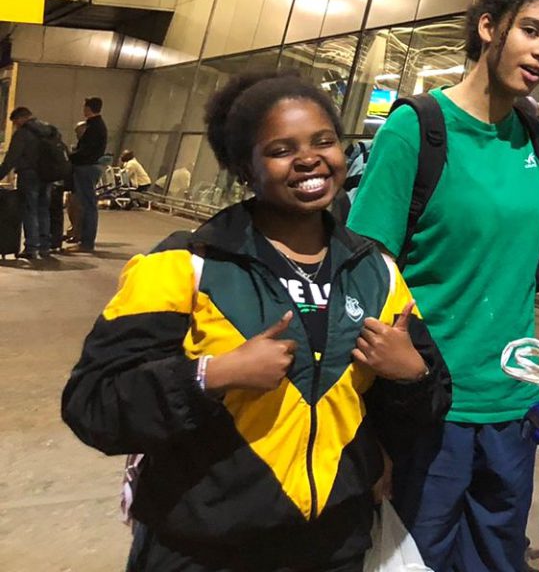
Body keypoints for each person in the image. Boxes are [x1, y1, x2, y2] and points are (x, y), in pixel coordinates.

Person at [61, 72, 450, 571]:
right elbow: (92, 404)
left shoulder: (376, 272)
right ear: (244, 167)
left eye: (323, 141)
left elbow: (426, 408)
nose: (309, 158)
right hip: (202, 549)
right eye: (281, 149)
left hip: (334, 546)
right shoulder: (186, 263)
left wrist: (411, 374)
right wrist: (212, 376)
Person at [348, 0, 539, 572]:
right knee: (416, 558)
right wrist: (372, 422)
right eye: (531, 30)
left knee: (498, 560)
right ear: (489, 27)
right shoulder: (418, 128)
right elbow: (367, 272)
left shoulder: (534, 140)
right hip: (429, 407)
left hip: (512, 406)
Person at [0, 107, 61, 260]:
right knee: (43, 210)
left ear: (21, 118)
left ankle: (32, 247)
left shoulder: (23, 134)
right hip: (47, 175)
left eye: (15, 122)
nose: (15, 126)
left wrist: (0, 174)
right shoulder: (50, 130)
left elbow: (12, 157)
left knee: (29, 210)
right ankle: (45, 246)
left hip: (29, 175)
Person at [67, 96, 108, 253]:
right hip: (89, 166)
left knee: (87, 206)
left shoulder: (94, 127)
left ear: (88, 108)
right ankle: (83, 239)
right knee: (86, 205)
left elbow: (86, 151)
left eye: (84, 107)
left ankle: (86, 242)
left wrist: (70, 156)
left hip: (86, 167)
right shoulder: (97, 126)